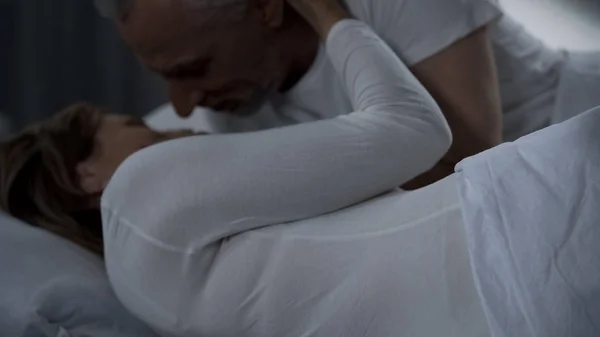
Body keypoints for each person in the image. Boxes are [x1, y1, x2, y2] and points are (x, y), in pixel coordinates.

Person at [95, 0, 599, 189]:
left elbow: (468, 160)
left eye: (193, 70)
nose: (184, 105)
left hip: (579, 130)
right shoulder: (231, 108)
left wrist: (329, 19)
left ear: (266, 8)